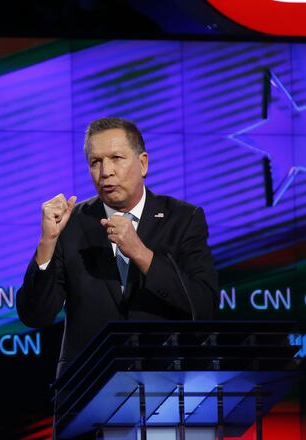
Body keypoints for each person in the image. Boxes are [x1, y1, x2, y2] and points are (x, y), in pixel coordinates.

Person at [16, 117, 219, 378]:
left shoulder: (183, 219)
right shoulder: (71, 223)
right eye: (95, 162)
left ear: (143, 163)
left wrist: (141, 253)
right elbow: (36, 315)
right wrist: (47, 242)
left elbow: (204, 307)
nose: (106, 172)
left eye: (116, 158)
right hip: (87, 392)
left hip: (166, 390)